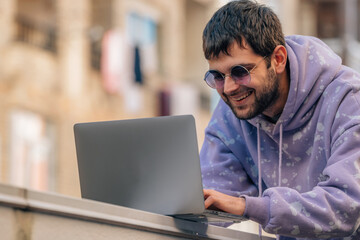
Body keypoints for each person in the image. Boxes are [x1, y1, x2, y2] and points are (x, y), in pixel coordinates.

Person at [200, 1, 360, 239]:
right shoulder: (231, 114)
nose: (230, 88)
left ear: (278, 59)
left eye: (240, 72)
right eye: (218, 76)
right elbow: (212, 198)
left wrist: (250, 207)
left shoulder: (349, 101)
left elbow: (348, 207)